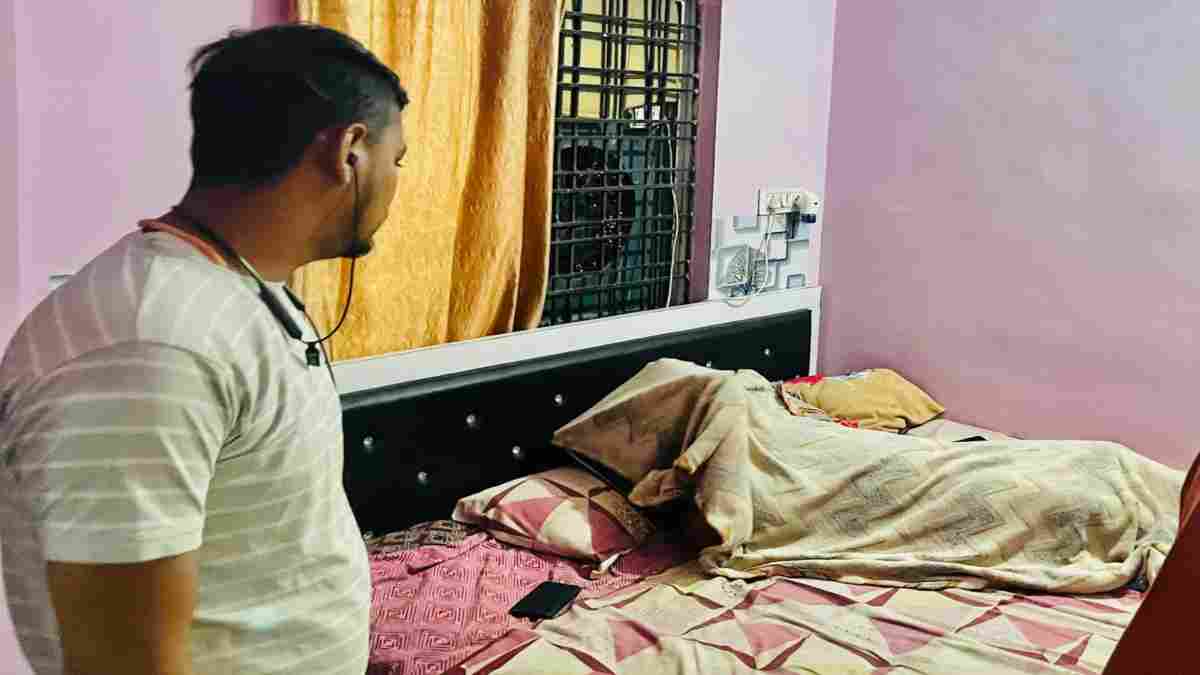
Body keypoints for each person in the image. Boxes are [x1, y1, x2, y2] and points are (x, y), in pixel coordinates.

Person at [0, 23, 408, 675]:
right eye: (398, 159)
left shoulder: (234, 293)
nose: (395, 182)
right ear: (349, 152)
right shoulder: (149, 342)